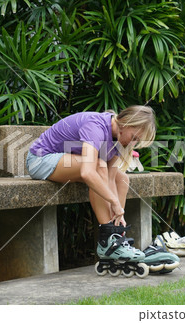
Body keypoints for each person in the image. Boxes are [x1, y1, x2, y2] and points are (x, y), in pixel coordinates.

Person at [26, 105, 156, 274]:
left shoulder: (118, 139)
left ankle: (116, 237)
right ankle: (107, 240)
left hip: (69, 162)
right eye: (134, 137)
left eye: (137, 141)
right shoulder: (96, 126)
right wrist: (114, 202)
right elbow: (87, 172)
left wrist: (117, 211)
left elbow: (109, 178)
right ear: (125, 123)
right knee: (97, 167)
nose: (133, 143)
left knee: (122, 179)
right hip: (40, 160)